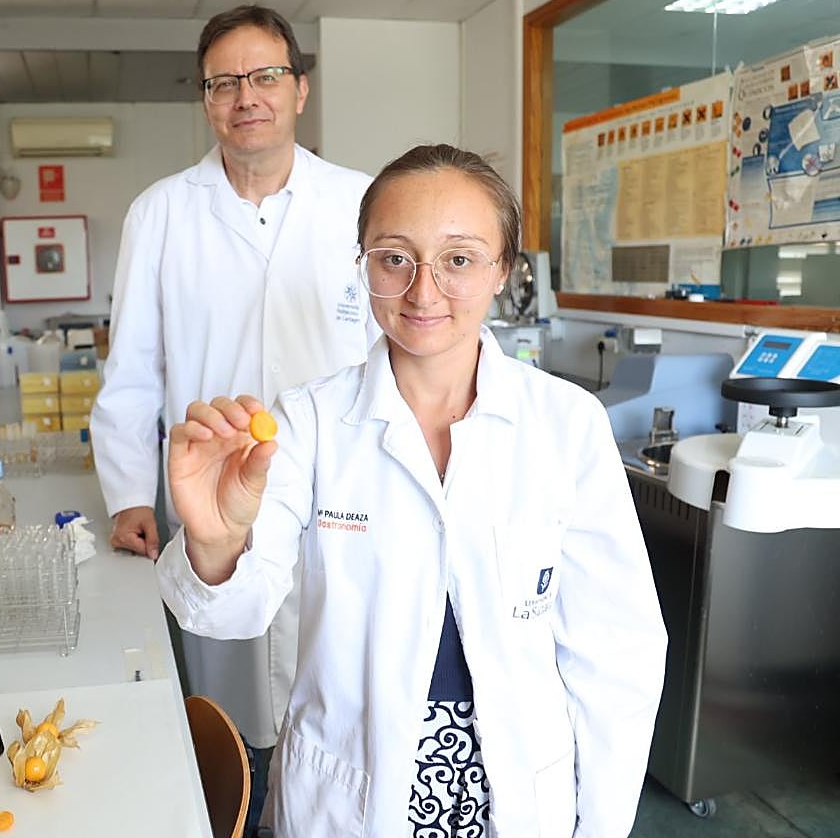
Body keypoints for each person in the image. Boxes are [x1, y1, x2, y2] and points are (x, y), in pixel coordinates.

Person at [156, 144, 668, 837]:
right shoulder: (307, 421)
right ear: (363, 265)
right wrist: (217, 543)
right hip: (352, 795)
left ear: (502, 272)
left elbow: (616, 652)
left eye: (458, 259)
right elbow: (233, 615)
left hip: (517, 792)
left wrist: (601, 824)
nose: (423, 291)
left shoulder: (565, 424)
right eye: (394, 257)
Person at [89, 3, 377, 819]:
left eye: (264, 77)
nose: (246, 96)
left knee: (337, 713)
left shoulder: (360, 204)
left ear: (299, 90)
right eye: (224, 83)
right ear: (206, 99)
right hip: (213, 501)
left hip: (338, 497)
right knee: (231, 704)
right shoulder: (162, 212)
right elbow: (133, 371)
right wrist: (129, 497)